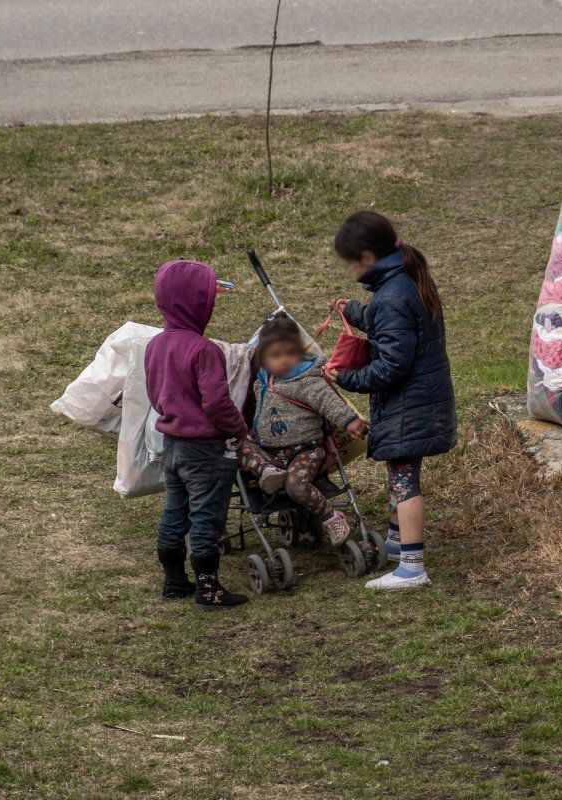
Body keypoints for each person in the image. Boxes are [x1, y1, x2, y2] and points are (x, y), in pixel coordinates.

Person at [326, 210, 457, 590]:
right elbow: (394, 322)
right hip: (422, 399)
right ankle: (398, 544)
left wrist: (345, 378)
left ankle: (412, 568)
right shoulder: (407, 279)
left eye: (351, 262)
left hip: (408, 405)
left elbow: (391, 366)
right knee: (400, 474)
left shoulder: (391, 296)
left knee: (405, 481)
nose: (351, 270)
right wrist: (355, 311)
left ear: (367, 257)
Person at [144, 259, 250, 609]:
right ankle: (209, 588)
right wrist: (238, 428)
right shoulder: (204, 350)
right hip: (205, 449)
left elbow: (154, 392)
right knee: (206, 515)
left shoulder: (155, 345)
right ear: (197, 304)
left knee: (175, 511)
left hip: (172, 443)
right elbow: (217, 402)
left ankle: (174, 580)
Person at [237, 314, 368, 546]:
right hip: (271, 453)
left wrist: (350, 421)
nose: (284, 360)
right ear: (264, 358)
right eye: (276, 355)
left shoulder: (306, 380)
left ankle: (331, 517)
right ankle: (268, 471)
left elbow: (329, 402)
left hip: (304, 451)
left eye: (290, 353)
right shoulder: (262, 381)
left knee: (296, 486)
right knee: (241, 445)